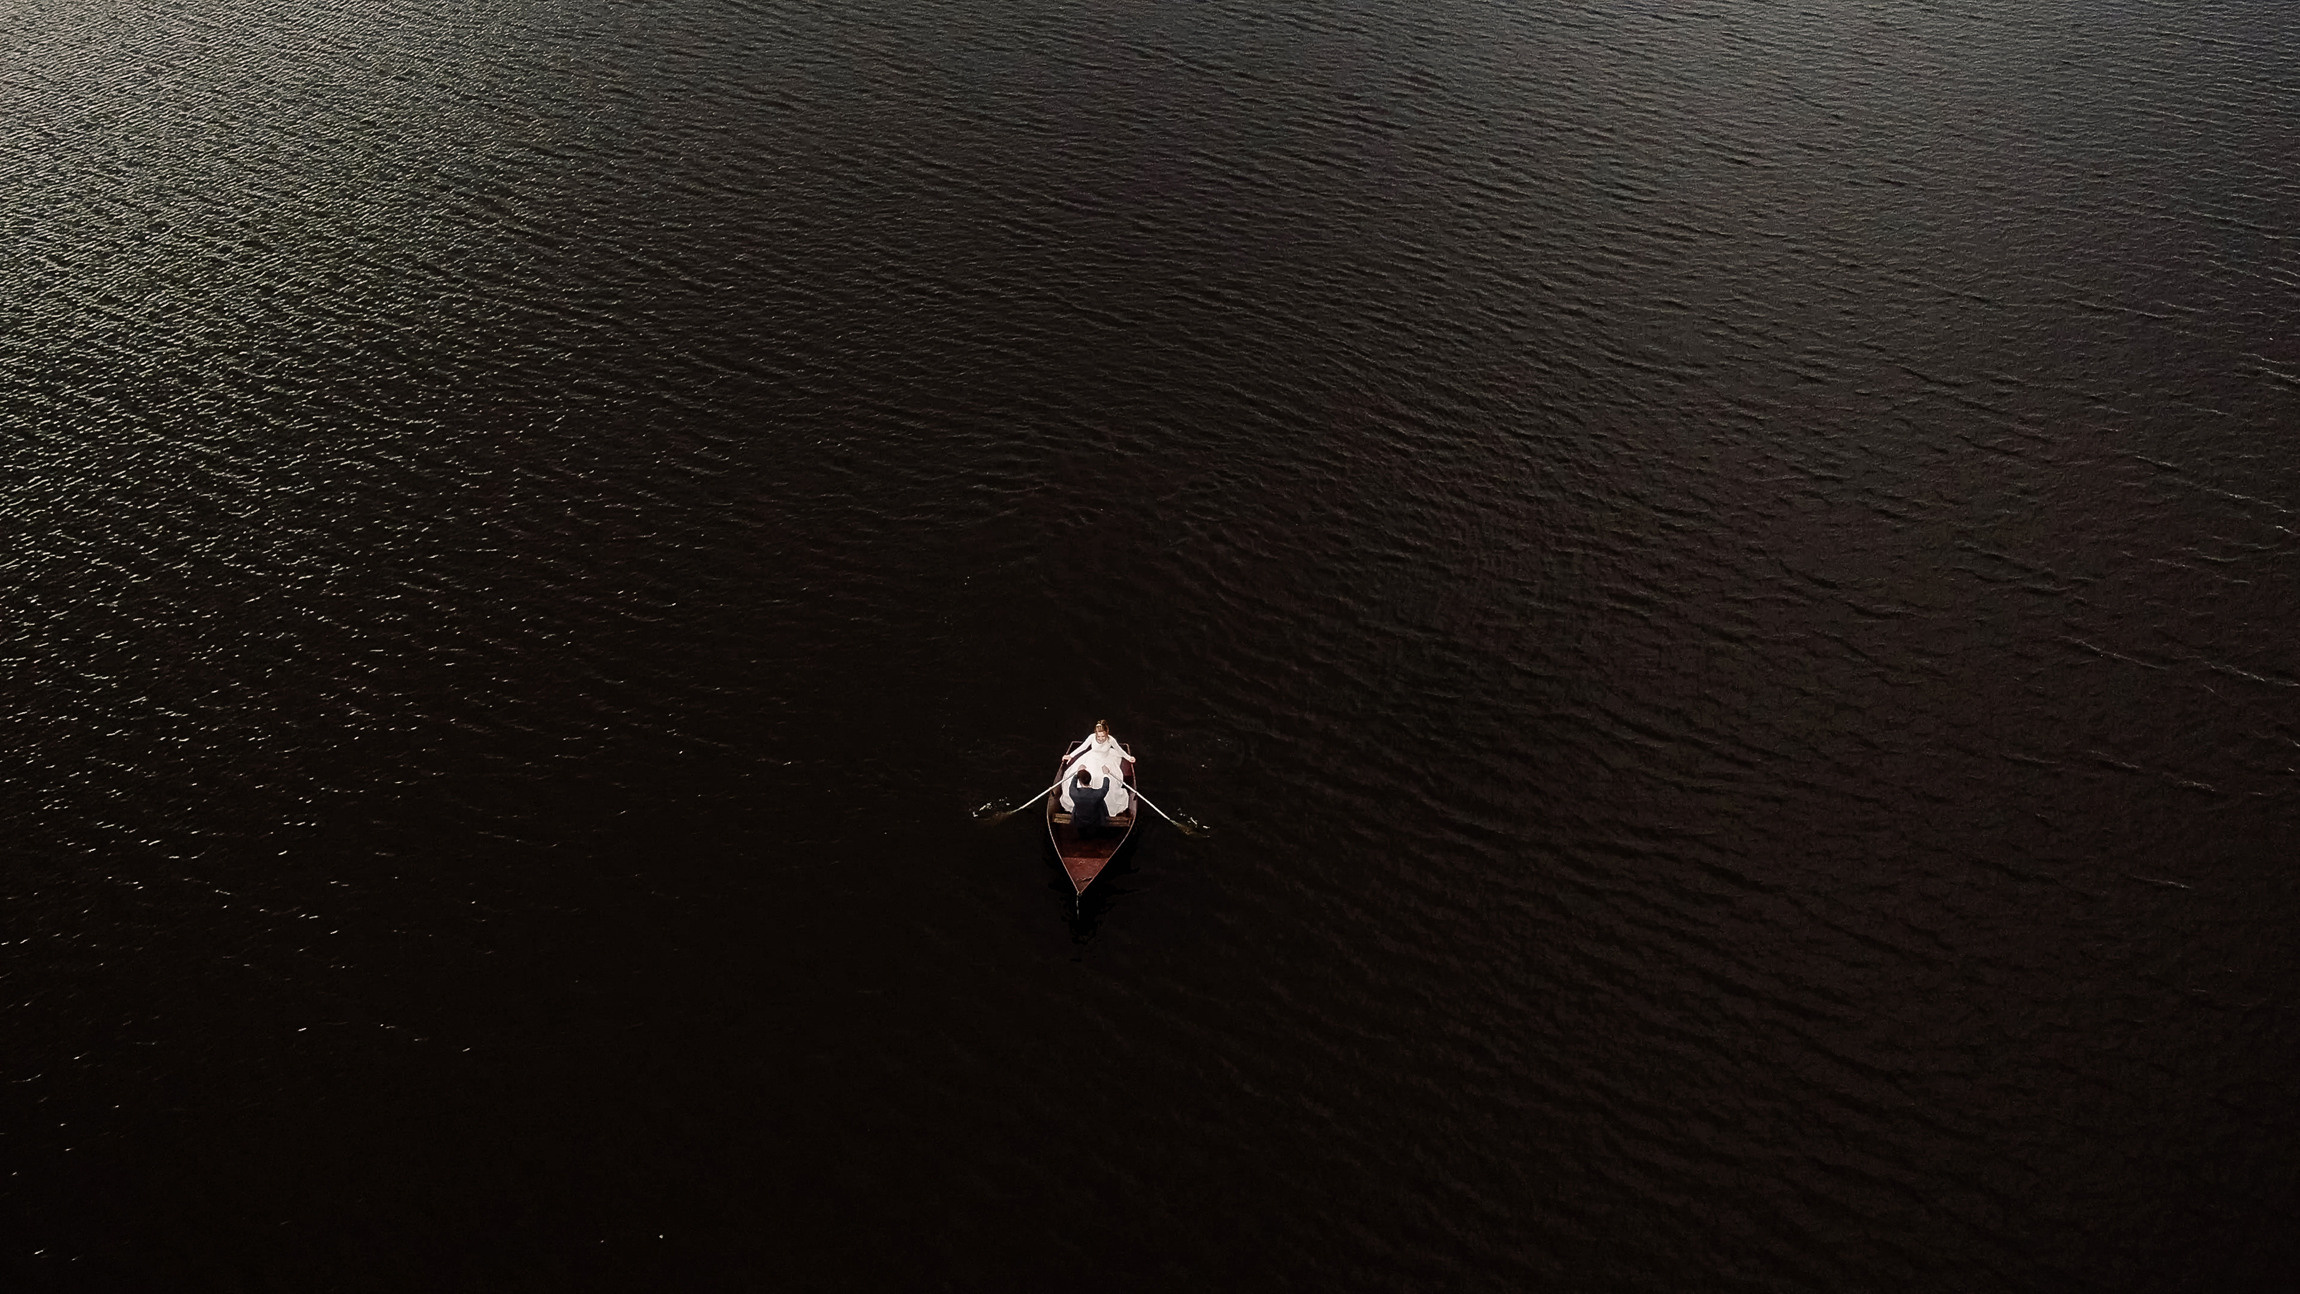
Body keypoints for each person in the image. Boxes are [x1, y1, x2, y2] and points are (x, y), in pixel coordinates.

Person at [1059, 720, 1134, 817]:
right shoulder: (1091, 737)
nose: (1101, 739)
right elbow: (1082, 747)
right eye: (1099, 736)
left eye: (1103, 736)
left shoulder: (1111, 740)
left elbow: (1119, 750)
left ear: (1107, 733)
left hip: (1105, 760)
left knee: (1105, 779)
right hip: (1092, 759)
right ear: (1095, 734)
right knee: (1089, 776)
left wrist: (1129, 758)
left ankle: (1102, 805)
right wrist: (1070, 755)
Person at [1065, 767, 1109, 836]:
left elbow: (1072, 785)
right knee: (1100, 801)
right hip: (1095, 820)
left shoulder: (1073, 793)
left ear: (1080, 781)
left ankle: (1082, 833)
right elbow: (1105, 787)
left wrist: (1077, 774)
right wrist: (1105, 774)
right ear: (1090, 779)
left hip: (1079, 821)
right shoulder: (1098, 794)